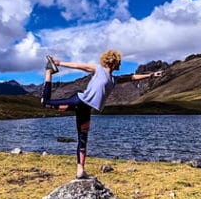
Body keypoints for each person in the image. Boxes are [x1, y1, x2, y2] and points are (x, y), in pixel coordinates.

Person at [41, 50, 162, 179]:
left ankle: (80, 171)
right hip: (78, 101)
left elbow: (131, 77)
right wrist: (59, 63)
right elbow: (79, 66)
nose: (120, 64)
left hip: (86, 108)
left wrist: (151, 75)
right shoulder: (98, 69)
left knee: (83, 139)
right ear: (112, 61)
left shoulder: (114, 79)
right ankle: (49, 72)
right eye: (119, 61)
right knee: (45, 103)